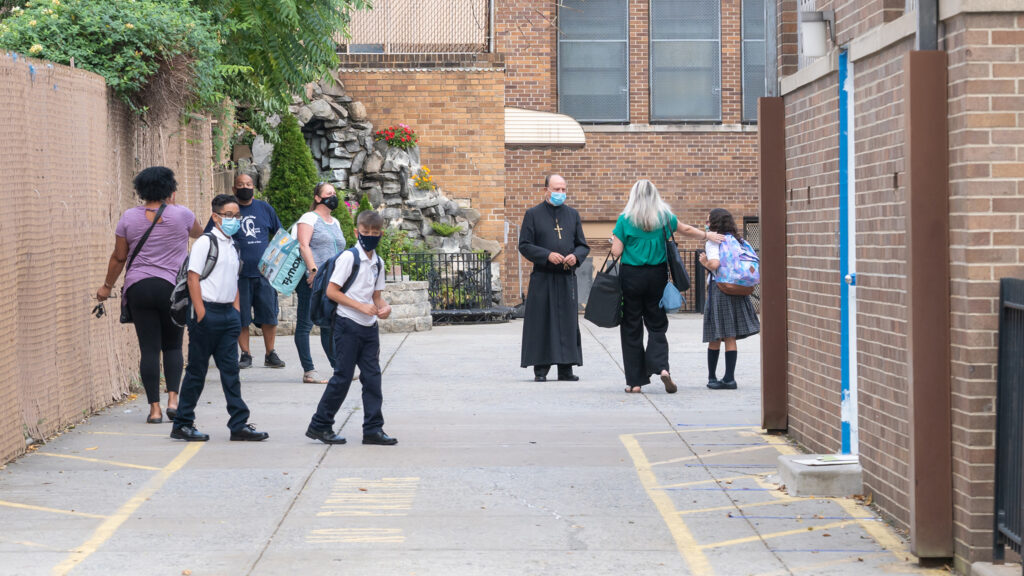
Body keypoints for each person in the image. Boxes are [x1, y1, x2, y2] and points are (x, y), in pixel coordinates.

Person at [96, 166, 203, 424]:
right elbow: (201, 236)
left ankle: (154, 409)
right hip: (171, 289)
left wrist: (107, 287)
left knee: (149, 349)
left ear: (141, 191)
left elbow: (119, 256)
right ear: (170, 190)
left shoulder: (129, 218)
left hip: (139, 288)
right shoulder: (183, 216)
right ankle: (174, 400)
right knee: (174, 345)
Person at [171, 194, 269, 442]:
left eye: (237, 216)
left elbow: (233, 279)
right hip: (207, 313)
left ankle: (239, 424)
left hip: (228, 315)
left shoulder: (233, 245)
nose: (234, 220)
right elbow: (193, 278)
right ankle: (182, 423)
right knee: (197, 371)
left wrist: (236, 311)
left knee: (231, 372)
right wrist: (201, 313)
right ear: (215, 217)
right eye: (228, 216)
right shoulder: (206, 242)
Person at [610, 180, 723, 394]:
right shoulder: (664, 218)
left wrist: (614, 239)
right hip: (657, 276)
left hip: (631, 278)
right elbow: (686, 229)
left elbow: (616, 252)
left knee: (631, 327)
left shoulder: (625, 220)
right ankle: (662, 368)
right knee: (657, 324)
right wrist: (707, 235)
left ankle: (635, 382)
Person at [305, 210, 397, 446]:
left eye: (375, 233)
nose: (370, 237)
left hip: (369, 327)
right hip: (347, 324)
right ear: (357, 232)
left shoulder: (378, 262)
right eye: (366, 233)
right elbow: (332, 292)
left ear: (381, 234)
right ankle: (320, 425)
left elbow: (377, 297)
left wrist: (384, 308)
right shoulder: (349, 258)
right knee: (343, 377)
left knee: (373, 379)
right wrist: (359, 306)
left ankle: (373, 429)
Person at [205, 174, 285, 369]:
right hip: (237, 275)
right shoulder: (227, 211)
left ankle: (270, 353)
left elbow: (280, 234)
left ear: (254, 187)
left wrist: (276, 260)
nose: (245, 187)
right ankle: (245, 354)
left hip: (264, 274)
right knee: (241, 317)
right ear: (233, 189)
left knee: (269, 315)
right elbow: (210, 235)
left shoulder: (265, 209)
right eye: (240, 184)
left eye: (248, 184)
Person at [518, 174, 590, 382]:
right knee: (542, 322)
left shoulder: (572, 214)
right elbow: (525, 245)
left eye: (563, 189)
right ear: (546, 190)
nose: (560, 193)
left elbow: (582, 244)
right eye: (556, 189)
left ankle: (566, 369)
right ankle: (541, 370)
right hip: (543, 276)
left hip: (566, 276)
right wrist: (547, 255)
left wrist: (575, 256)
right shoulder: (533, 214)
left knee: (567, 322)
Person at [699, 208, 761, 390]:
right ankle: (729, 378)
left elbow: (715, 264)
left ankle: (712, 377)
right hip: (739, 289)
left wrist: (704, 263)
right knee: (730, 336)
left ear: (715, 223)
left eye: (708, 220)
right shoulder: (739, 241)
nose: (706, 223)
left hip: (720, 290)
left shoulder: (714, 242)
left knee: (715, 335)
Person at [294, 182, 347, 383]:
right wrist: (313, 270)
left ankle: (339, 368)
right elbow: (303, 245)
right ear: (317, 197)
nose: (333, 196)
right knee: (305, 324)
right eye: (329, 193)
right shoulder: (309, 218)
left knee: (329, 325)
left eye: (334, 193)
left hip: (332, 281)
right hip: (313, 279)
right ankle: (309, 371)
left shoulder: (335, 222)